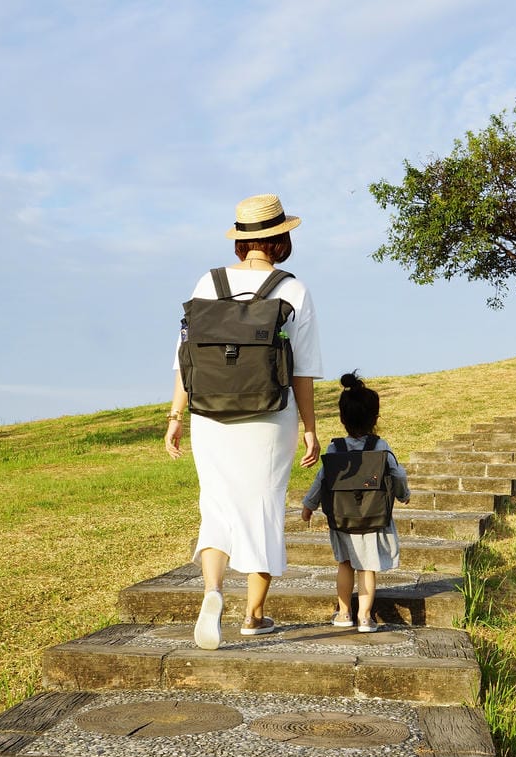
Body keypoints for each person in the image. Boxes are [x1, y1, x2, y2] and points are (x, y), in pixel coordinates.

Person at [165, 194, 322, 650]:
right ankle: (253, 617)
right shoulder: (292, 289)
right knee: (264, 508)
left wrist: (176, 417)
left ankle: (212, 591)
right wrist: (310, 427)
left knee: (215, 505)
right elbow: (303, 370)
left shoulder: (206, 283)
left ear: (242, 240)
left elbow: (183, 359)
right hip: (270, 414)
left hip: (210, 412)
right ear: (281, 238)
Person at [301, 372, 409, 633]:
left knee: (345, 564)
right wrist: (402, 494)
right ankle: (364, 617)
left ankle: (344, 613)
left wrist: (308, 505)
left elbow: (322, 478)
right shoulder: (379, 445)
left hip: (342, 518)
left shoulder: (335, 448)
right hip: (373, 518)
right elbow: (398, 473)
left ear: (342, 418)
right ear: (375, 418)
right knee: (367, 568)